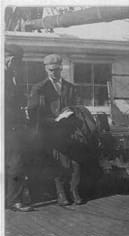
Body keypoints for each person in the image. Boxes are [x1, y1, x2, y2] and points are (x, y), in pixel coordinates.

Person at [29, 54, 88, 206]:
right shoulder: (39, 88)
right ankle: (61, 194)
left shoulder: (71, 87)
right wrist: (51, 121)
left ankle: (74, 191)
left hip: (70, 131)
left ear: (61, 68)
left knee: (75, 163)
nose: (53, 73)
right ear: (45, 69)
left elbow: (79, 106)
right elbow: (34, 112)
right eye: (50, 70)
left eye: (56, 70)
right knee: (58, 163)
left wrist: (71, 111)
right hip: (51, 132)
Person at [4, 43, 33, 212]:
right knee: (16, 163)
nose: (18, 66)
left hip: (9, 126)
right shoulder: (6, 76)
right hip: (9, 127)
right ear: (12, 60)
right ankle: (13, 200)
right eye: (18, 63)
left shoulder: (10, 76)